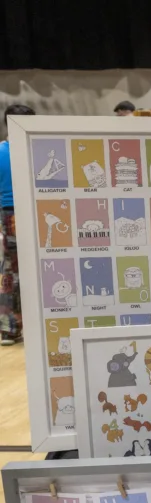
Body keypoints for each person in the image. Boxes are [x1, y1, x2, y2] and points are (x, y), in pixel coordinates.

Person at [0, 103, 35, 345]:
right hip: (28, 211)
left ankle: (10, 329)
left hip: (9, 214)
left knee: (11, 272)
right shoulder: (35, 149)